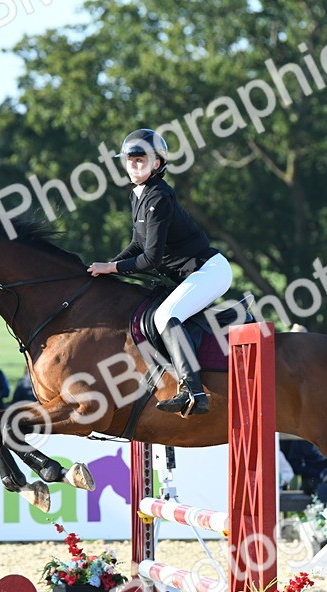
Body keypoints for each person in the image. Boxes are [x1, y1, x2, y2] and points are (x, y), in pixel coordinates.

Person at [87, 128, 232, 416]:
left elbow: (151, 258)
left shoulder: (159, 197)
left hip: (209, 271)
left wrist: (112, 267)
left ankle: (194, 390)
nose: (134, 165)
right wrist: (107, 268)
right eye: (129, 160)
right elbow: (136, 244)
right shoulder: (138, 195)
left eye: (140, 160)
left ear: (157, 164)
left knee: (167, 315)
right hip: (189, 275)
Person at [281, 439, 327, 505]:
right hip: (312, 477)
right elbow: (294, 464)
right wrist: (316, 472)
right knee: (323, 488)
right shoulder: (300, 439)